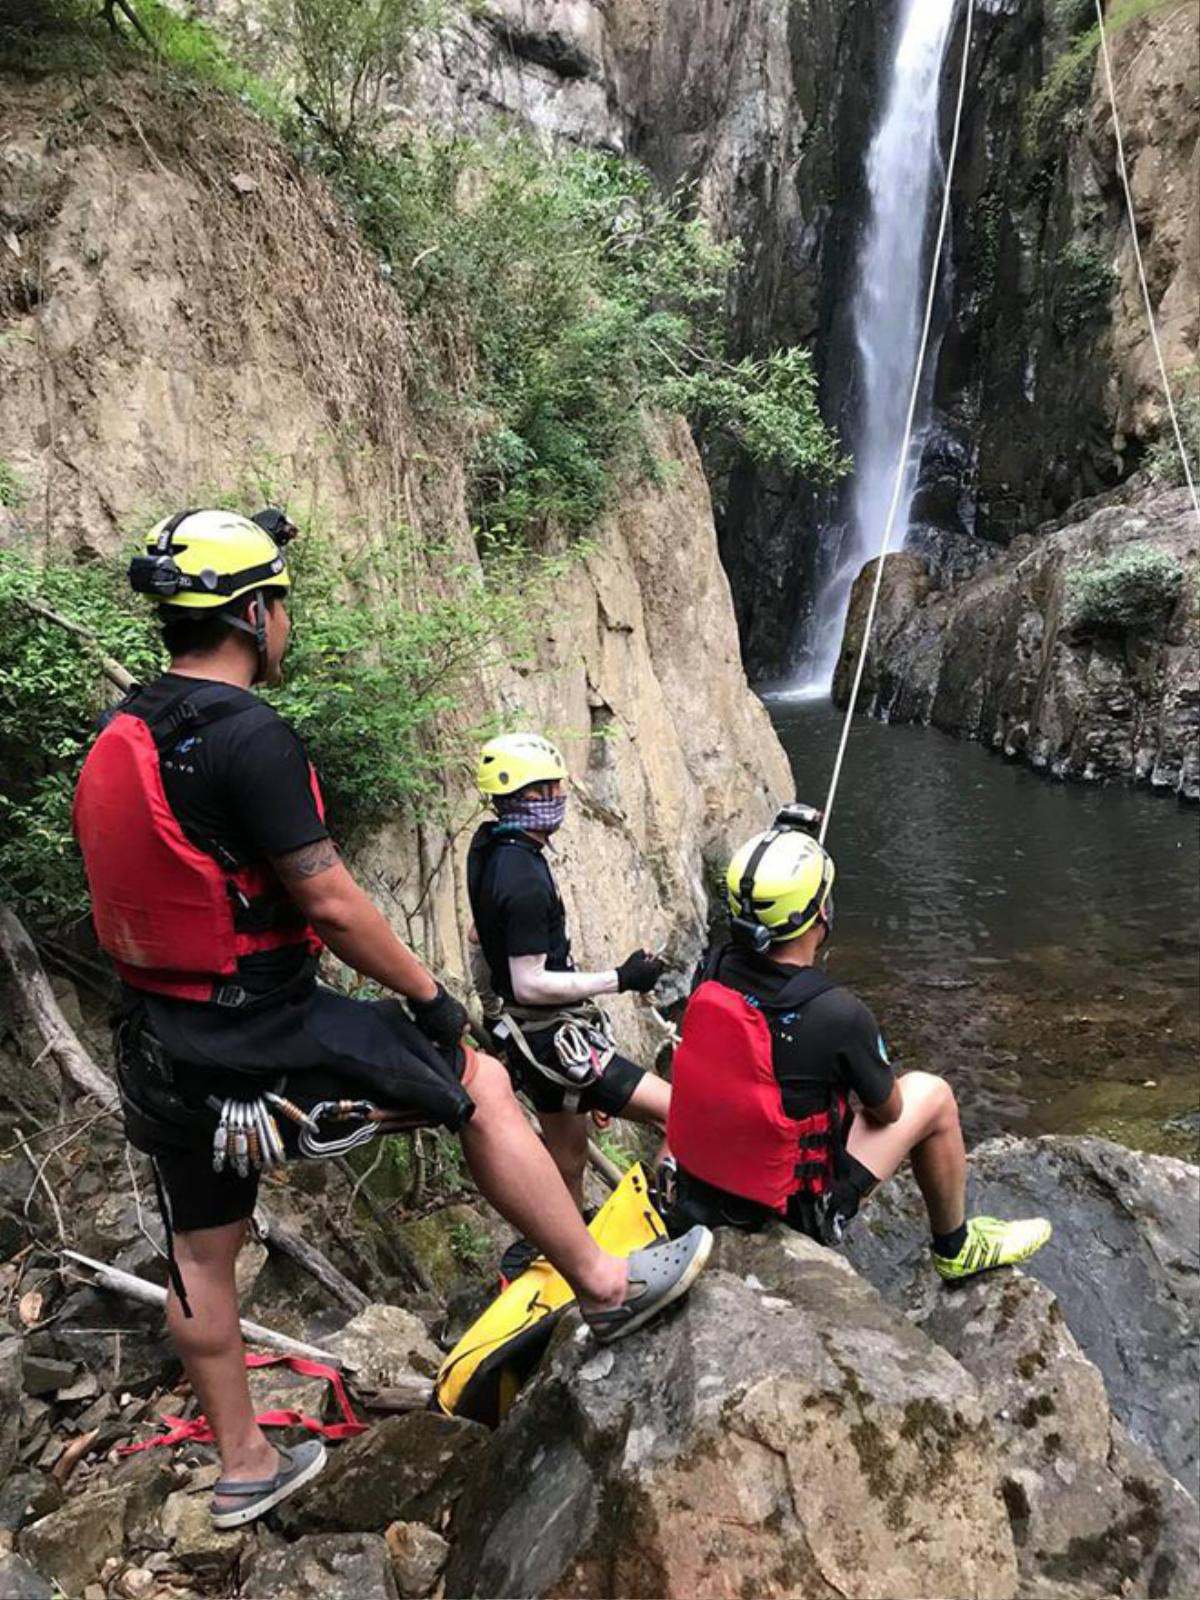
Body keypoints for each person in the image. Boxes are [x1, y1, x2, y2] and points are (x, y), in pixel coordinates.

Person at [73, 509, 712, 1530]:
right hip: (266, 1029)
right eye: (280, 602)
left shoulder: (125, 730)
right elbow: (329, 900)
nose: (286, 620)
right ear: (252, 611)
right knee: (482, 1081)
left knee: (201, 1255)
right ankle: (601, 1283)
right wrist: (431, 1000)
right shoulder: (249, 736)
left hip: (158, 1043)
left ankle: (245, 1464)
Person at [665, 808, 1052, 1280]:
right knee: (932, 1095)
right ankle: (956, 1247)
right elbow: (888, 1112)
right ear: (821, 913)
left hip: (703, 1191)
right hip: (792, 1211)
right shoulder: (838, 1014)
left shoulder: (714, 969)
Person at [466, 733, 672, 1217]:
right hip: (554, 1041)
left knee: (567, 1159)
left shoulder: (493, 849)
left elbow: (478, 938)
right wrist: (622, 978)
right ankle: (669, 1217)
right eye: (550, 789)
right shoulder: (523, 878)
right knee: (680, 1112)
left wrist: (493, 1014)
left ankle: (566, 1254)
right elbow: (531, 982)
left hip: (527, 1038)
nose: (559, 798)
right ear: (525, 795)